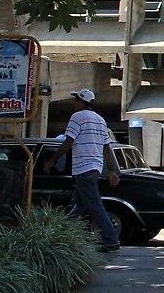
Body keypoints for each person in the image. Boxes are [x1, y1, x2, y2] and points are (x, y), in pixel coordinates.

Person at [44, 88, 122, 253]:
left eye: (76, 100)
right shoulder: (101, 120)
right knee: (78, 205)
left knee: (94, 205)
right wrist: (112, 170)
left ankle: (111, 240)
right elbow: (107, 148)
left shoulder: (77, 117)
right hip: (95, 167)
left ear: (81, 101)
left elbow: (69, 141)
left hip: (83, 168)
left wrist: (52, 160)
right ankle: (64, 237)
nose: (74, 103)